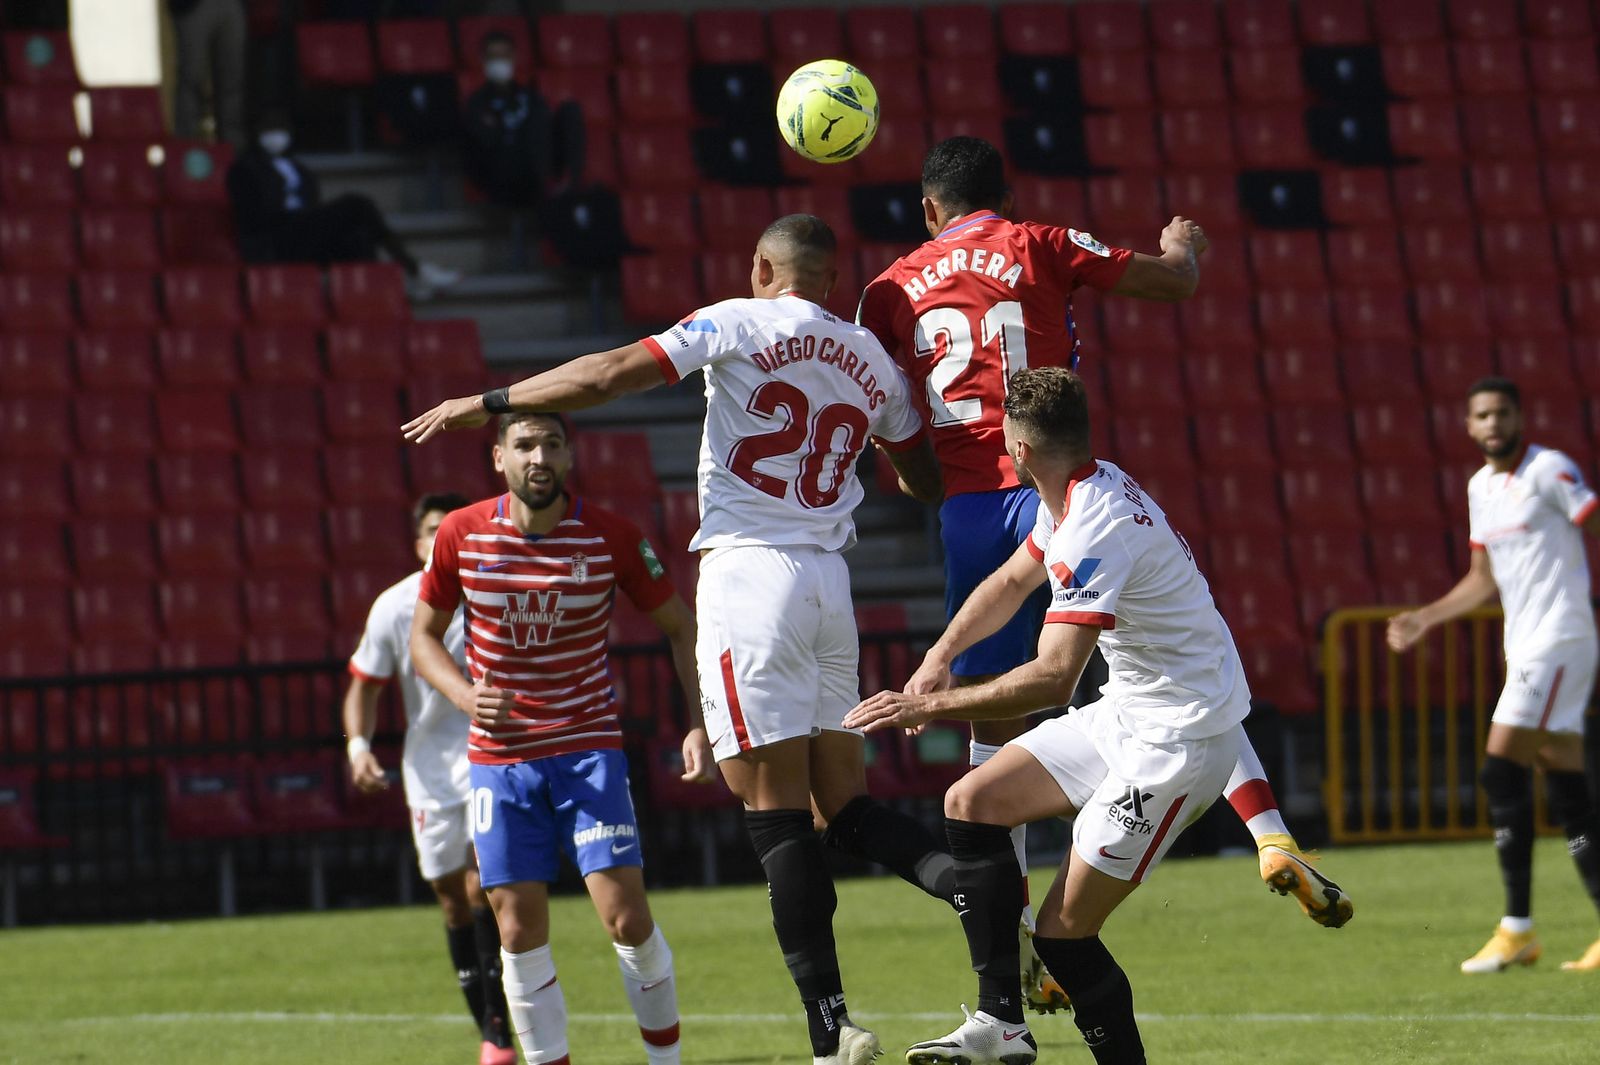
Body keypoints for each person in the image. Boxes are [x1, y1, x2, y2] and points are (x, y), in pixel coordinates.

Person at [404, 214, 966, 1065]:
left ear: (760, 267)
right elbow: (922, 478)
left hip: (752, 574)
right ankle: (981, 895)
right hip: (830, 581)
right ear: (827, 273)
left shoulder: (735, 318)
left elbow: (606, 376)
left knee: (774, 814)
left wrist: (491, 401)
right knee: (842, 808)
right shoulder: (871, 358)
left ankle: (831, 1030)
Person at [855, 139, 1351, 990]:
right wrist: (1184, 242)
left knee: (990, 737)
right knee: (1179, 663)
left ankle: (1001, 937)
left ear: (929, 211)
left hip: (972, 503)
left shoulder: (888, 287)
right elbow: (1172, 281)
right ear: (999, 198)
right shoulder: (1040, 241)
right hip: (1052, 484)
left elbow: (888, 410)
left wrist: (927, 485)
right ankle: (1267, 832)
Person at [845, 367, 1254, 1064]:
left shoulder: (1097, 524)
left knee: (1064, 937)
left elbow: (1053, 676)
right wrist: (940, 654)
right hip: (1128, 710)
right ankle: (1001, 1022)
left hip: (1178, 741)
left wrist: (926, 705)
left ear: (1018, 448)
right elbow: (1009, 581)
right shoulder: (1073, 491)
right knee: (972, 800)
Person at [409, 412, 712, 1065]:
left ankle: (667, 1060)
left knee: (625, 917)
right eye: (524, 444)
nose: (538, 456)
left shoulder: (612, 537)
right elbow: (422, 639)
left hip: (587, 750)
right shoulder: (461, 533)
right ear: (499, 457)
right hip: (501, 762)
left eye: (551, 443)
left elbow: (681, 626)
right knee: (516, 929)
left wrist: (698, 723)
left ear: (570, 455)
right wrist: (464, 695)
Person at [1387, 376, 1600, 973]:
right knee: (1566, 785)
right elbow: (1482, 580)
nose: (1492, 424)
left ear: (1520, 416)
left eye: (1502, 413)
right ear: (1469, 425)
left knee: (1499, 769)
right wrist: (1424, 619)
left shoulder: (1550, 469)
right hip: (1527, 646)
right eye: (1481, 415)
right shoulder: (1481, 487)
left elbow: (1592, 517)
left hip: (1560, 640)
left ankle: (1517, 929)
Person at [342, 492, 515, 1065]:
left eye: (452, 528)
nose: (444, 537)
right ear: (419, 544)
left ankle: (498, 1031)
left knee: (481, 885)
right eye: (433, 531)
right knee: (451, 897)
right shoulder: (394, 607)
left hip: (492, 757)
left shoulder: (495, 589)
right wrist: (360, 745)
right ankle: (488, 1025)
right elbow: (364, 686)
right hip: (429, 772)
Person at [226, 108, 461, 296]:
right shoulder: (244, 170)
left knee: (359, 237)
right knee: (357, 204)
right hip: (276, 240)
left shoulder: (301, 170)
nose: (276, 135)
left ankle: (377, 298)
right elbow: (254, 219)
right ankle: (414, 268)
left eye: (280, 128)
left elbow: (312, 205)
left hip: (306, 236)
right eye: (269, 128)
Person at [461, 30, 585, 208]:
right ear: (483, 60)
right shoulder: (476, 103)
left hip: (534, 167)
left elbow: (544, 131)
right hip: (500, 175)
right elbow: (484, 141)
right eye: (494, 56)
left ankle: (568, 185)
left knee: (569, 111)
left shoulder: (530, 96)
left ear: (513, 57)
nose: (499, 62)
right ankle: (543, 188)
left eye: (504, 56)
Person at [169, 0, 246, 147]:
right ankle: (186, 147)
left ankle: (233, 149)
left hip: (231, 5)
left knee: (233, 80)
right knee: (191, 78)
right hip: (194, 6)